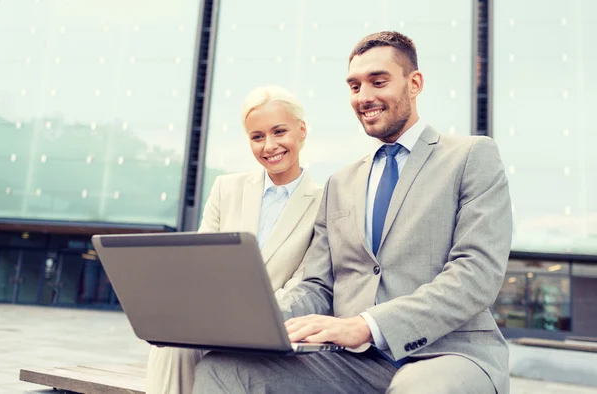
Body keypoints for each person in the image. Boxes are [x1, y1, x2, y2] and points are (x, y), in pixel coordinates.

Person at [192, 31, 513, 394]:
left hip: (448, 355)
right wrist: (253, 320)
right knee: (222, 368)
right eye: (355, 86)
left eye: (378, 82)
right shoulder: (339, 184)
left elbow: (476, 275)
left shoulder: (471, 156)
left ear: (415, 83)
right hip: (352, 361)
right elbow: (317, 285)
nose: (364, 97)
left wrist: (366, 324)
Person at [145, 85, 323, 393]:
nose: (269, 146)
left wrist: (248, 318)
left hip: (275, 329)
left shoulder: (325, 202)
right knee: (171, 346)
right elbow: (200, 266)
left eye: (279, 131)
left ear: (302, 131)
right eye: (257, 137)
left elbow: (307, 282)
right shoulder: (226, 189)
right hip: (213, 320)